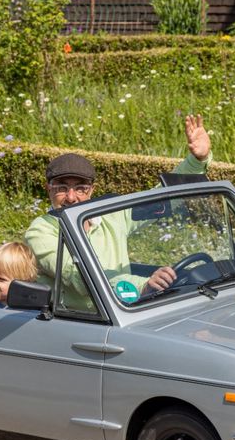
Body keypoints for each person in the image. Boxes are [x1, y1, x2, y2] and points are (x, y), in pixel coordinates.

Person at [25, 114, 211, 306]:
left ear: (91, 190)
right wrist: (143, 286)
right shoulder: (40, 231)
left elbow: (162, 198)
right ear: (49, 189)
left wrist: (197, 160)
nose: (71, 198)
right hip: (80, 321)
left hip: (124, 310)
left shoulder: (110, 215)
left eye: (80, 188)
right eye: (61, 188)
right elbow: (79, 277)